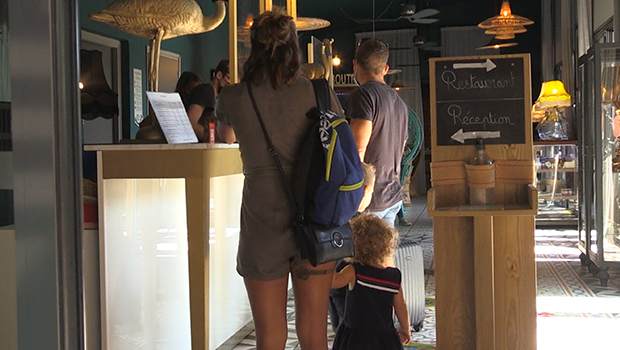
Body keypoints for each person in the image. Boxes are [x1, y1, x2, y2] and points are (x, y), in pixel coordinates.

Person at [216, 9, 345, 350]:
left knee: (270, 336)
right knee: (314, 333)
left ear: (253, 47)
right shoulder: (319, 92)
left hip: (261, 219)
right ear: (294, 46)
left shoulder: (232, 96)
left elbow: (225, 136)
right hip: (316, 214)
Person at [346, 39, 408, 228]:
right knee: (383, 255)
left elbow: (358, 149)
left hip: (370, 199)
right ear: (386, 69)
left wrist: (359, 195)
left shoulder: (363, 96)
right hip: (392, 196)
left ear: (355, 65)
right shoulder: (399, 102)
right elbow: (401, 147)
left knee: (362, 256)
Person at [331, 214, 411, 350]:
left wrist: (332, 256)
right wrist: (405, 328)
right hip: (384, 337)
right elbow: (401, 306)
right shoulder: (393, 277)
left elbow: (333, 282)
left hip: (355, 338)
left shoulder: (354, 271)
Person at [328, 162, 376, 333]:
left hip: (332, 284)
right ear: (364, 191)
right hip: (355, 292)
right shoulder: (364, 227)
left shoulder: (334, 216)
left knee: (339, 327)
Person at [186, 59, 229, 141]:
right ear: (219, 75)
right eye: (228, 80)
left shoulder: (219, 98)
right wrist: (212, 137)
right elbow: (190, 122)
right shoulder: (206, 90)